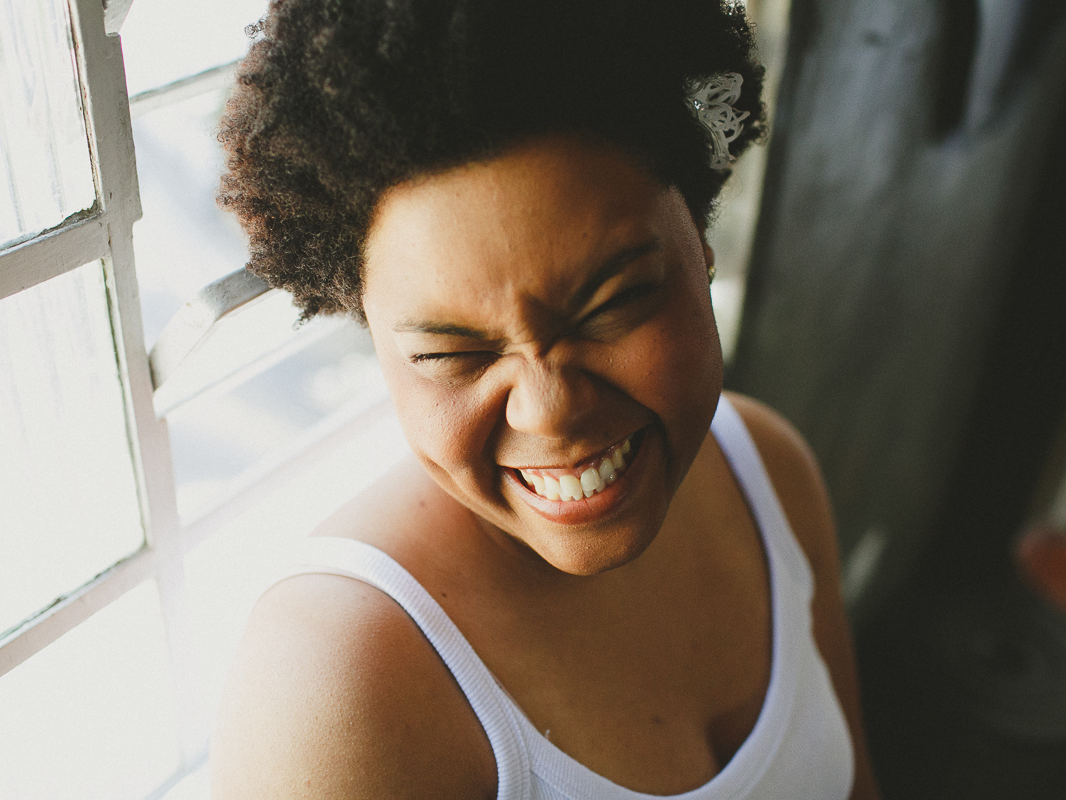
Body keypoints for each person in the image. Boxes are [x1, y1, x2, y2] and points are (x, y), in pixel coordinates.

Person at [210, 1, 880, 797]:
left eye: (610, 305)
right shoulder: (338, 684)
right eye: (451, 355)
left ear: (699, 243)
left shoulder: (768, 470)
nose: (548, 409)